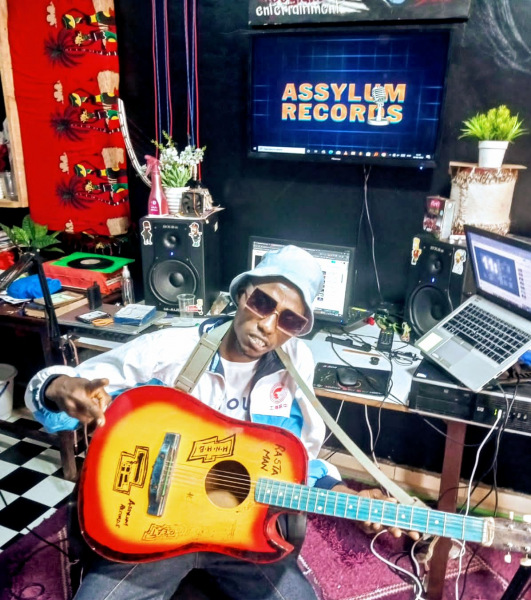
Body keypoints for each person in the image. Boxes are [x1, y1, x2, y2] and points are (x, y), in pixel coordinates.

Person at [25, 245, 413, 600]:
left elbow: (299, 459)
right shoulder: (169, 347)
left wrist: (341, 492)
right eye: (263, 303)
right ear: (242, 294)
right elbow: (60, 387)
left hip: (241, 534)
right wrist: (59, 387)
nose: (268, 325)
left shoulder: (297, 365)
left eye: (289, 321)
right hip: (150, 525)